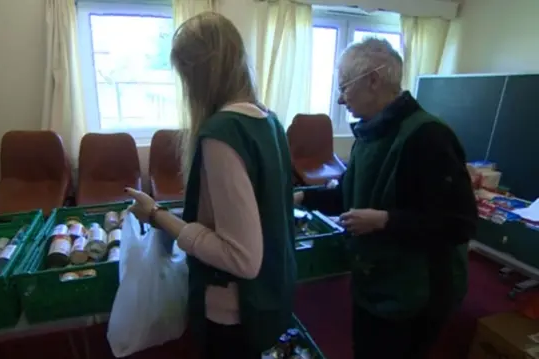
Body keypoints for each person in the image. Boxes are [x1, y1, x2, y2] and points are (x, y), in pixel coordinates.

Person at [124, 12, 296, 359]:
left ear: (195, 75)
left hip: (233, 311)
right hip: (271, 296)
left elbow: (241, 257)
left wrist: (156, 215)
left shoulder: (222, 133)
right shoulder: (269, 120)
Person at [295, 38, 477, 359]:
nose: (340, 99)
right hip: (376, 279)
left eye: (345, 87)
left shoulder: (429, 137)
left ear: (374, 81)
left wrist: (384, 220)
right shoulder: (369, 133)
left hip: (417, 294)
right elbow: (345, 195)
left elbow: (459, 224)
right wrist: (301, 198)